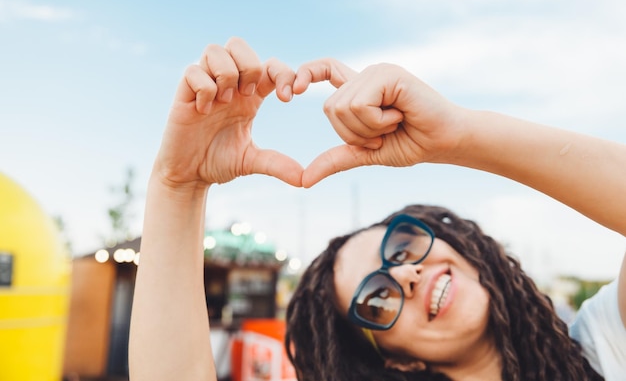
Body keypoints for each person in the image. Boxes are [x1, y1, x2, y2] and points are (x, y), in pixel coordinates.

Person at [128, 37, 626, 381]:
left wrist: (456, 134)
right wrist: (178, 187)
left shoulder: (607, 348)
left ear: (465, 249)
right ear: (397, 361)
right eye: (378, 300)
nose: (406, 276)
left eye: (406, 244)